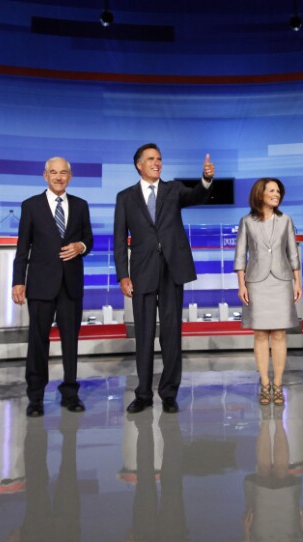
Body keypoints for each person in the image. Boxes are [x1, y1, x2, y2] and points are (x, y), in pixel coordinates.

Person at [113, 143, 214, 414]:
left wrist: (206, 180)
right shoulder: (125, 197)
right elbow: (120, 240)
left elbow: (197, 196)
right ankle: (143, 394)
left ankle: (169, 393)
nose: (157, 163)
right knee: (144, 335)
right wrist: (123, 274)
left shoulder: (174, 189)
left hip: (172, 269)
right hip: (142, 272)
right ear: (139, 164)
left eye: (159, 159)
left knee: (171, 335)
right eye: (151, 159)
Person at [12, 156, 93, 416]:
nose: (59, 177)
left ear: (70, 176)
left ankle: (70, 393)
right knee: (38, 342)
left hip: (70, 285)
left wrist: (81, 246)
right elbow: (22, 248)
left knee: (71, 341)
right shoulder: (31, 205)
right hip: (40, 285)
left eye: (63, 172)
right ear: (45, 175)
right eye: (53, 172)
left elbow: (88, 239)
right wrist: (18, 280)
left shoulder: (81, 206)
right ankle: (35, 397)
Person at [233, 178, 302, 405]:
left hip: (282, 281)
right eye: (271, 190)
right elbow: (241, 255)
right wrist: (242, 284)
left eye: (278, 191)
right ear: (260, 194)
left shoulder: (286, 220)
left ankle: (279, 385)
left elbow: (293, 254)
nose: (276, 194)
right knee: (261, 334)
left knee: (280, 334)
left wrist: (297, 282)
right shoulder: (247, 221)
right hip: (256, 282)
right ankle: (264, 384)